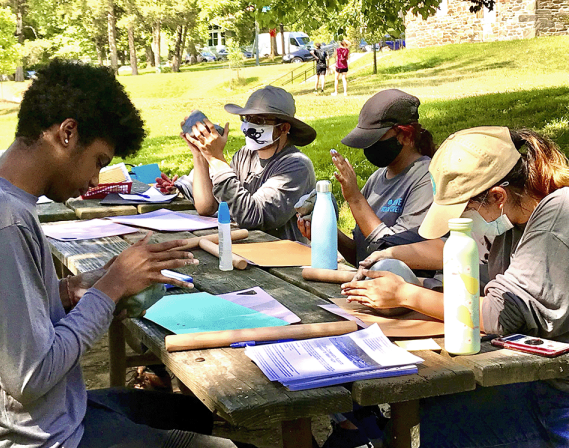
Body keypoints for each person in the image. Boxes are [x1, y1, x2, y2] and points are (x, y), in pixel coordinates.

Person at [0, 59, 252, 448]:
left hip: (54, 414)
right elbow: (29, 378)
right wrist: (111, 289)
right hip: (35, 437)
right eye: (99, 161)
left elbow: (7, 310)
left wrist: (72, 289)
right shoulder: (2, 220)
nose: (95, 180)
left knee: (190, 412)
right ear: (68, 133)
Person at [342, 126, 569, 448]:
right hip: (535, 375)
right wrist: (393, 255)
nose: (464, 222)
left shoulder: (559, 213)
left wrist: (407, 294)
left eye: (467, 212)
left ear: (496, 196)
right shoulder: (515, 215)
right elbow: (458, 252)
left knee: (444, 424)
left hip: (557, 396)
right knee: (437, 414)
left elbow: (497, 316)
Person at [298, 89, 436, 267]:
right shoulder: (377, 177)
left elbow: (393, 251)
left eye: (375, 139)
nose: (370, 147)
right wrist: (326, 230)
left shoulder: (426, 178)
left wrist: (355, 198)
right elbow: (362, 253)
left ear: (405, 135)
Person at [173, 85, 317, 243]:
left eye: (259, 120)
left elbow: (252, 218)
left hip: (281, 262)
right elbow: (207, 207)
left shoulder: (296, 166)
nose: (250, 125)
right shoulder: (245, 155)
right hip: (244, 251)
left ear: (284, 128)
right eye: (247, 118)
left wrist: (216, 159)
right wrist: (200, 155)